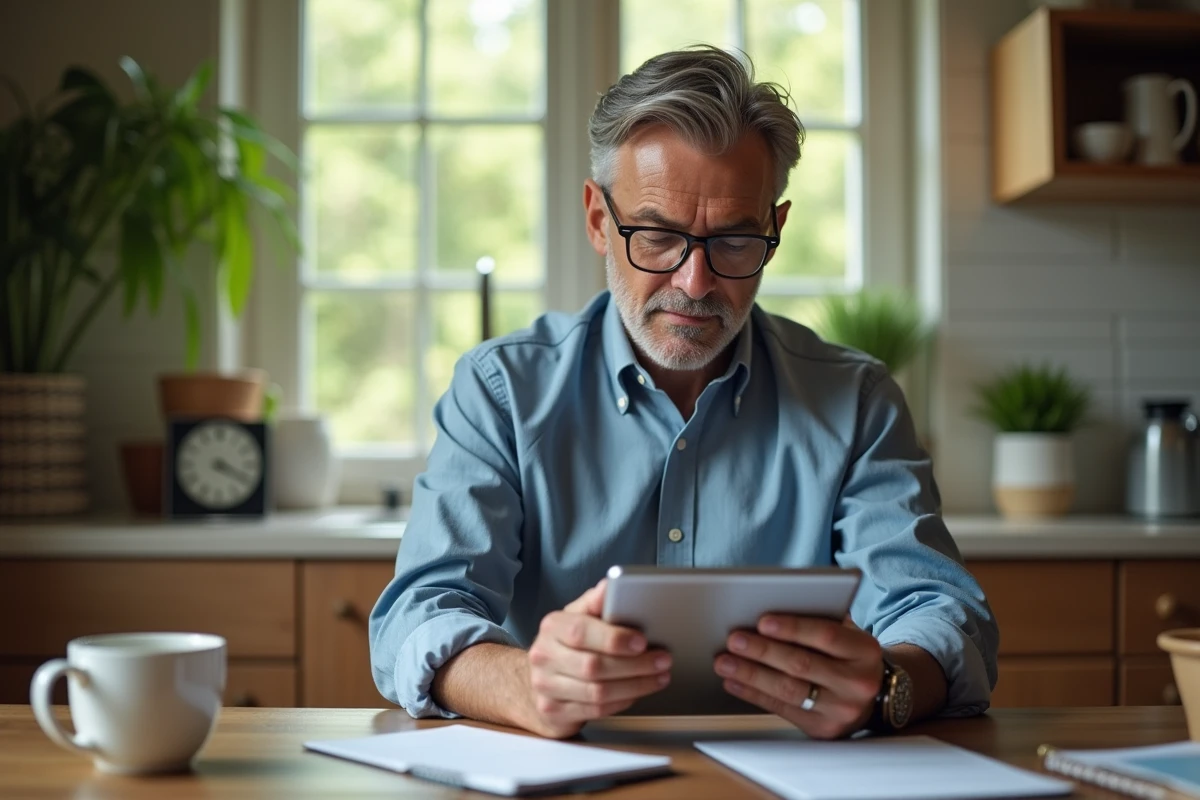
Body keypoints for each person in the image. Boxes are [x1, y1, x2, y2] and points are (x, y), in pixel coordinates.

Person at [369, 46, 998, 740]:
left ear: (775, 230)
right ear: (598, 220)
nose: (696, 283)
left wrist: (889, 685)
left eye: (732, 241)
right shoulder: (500, 392)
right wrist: (522, 682)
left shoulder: (857, 401)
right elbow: (417, 616)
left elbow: (941, 614)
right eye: (659, 236)